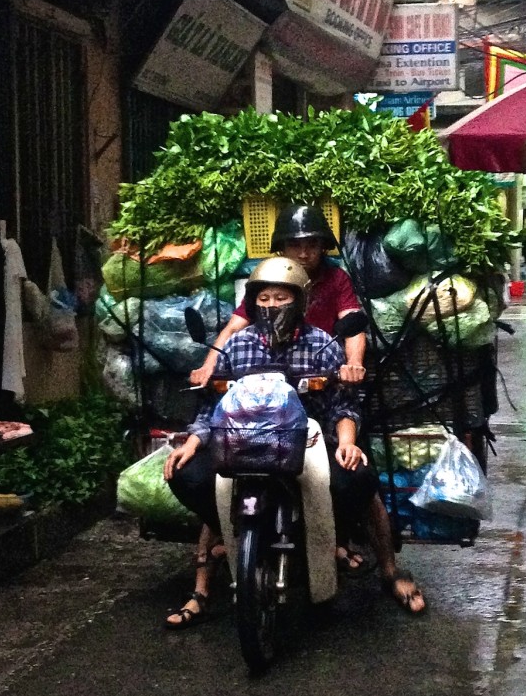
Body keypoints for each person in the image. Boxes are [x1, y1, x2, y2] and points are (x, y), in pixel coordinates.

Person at [163, 258, 425, 629]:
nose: (271, 306)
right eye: (264, 298)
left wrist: (346, 442)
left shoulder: (323, 346)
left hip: (307, 439)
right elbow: (212, 406)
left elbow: (343, 405)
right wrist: (193, 441)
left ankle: (357, 557)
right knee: (192, 477)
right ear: (253, 302)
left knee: (357, 480)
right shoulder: (236, 347)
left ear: (299, 302)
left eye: (281, 297)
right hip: (245, 438)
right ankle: (210, 577)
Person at [190, 204, 367, 388]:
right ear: (282, 248)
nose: (304, 254)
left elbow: (352, 326)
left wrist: (354, 364)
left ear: (323, 247)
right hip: (268, 369)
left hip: (315, 366)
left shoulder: (336, 278)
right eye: (295, 245)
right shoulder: (268, 279)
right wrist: (208, 366)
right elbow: (234, 327)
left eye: (312, 245)